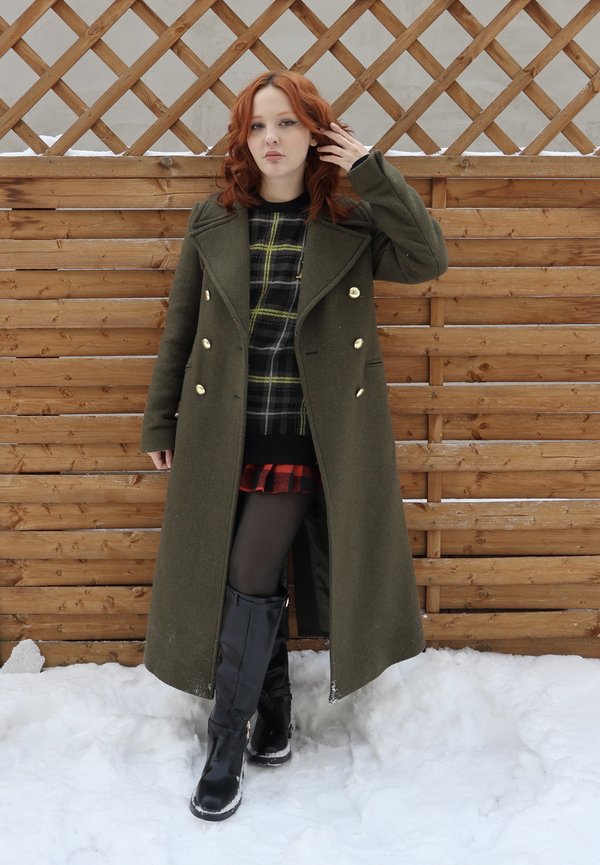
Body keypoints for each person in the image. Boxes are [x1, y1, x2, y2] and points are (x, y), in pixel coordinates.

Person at [141, 70, 448, 822]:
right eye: (257, 125)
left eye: (287, 123)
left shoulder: (349, 220)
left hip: (310, 436)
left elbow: (427, 256)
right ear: (242, 139)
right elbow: (181, 329)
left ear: (316, 134)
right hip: (223, 432)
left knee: (247, 572)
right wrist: (160, 422)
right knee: (244, 579)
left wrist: (370, 168)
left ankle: (225, 744)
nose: (271, 138)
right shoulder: (214, 220)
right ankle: (273, 712)